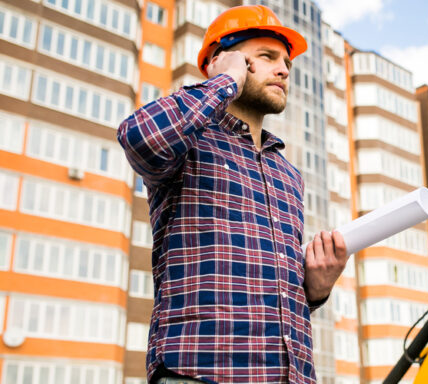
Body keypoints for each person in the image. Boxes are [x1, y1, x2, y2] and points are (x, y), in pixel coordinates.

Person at [117, 5, 348, 383]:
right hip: (199, 373)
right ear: (223, 61)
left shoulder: (288, 176)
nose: (284, 70)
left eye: (286, 61)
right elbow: (141, 137)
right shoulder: (190, 142)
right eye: (267, 57)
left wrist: (315, 291)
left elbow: (270, 301)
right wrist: (225, 82)